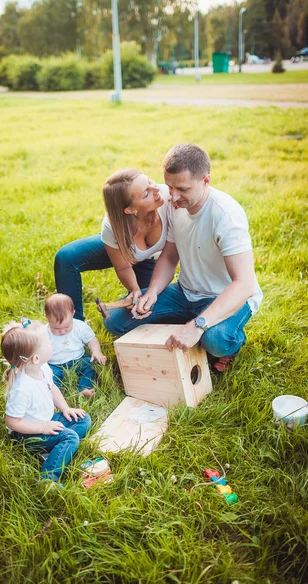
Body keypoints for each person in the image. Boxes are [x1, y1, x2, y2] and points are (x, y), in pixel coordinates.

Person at [104, 143, 263, 374]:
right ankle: (192, 323)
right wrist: (153, 292)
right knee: (117, 321)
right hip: (185, 292)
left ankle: (226, 338)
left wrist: (198, 325)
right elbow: (169, 257)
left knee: (215, 341)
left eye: (182, 188)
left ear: (205, 180)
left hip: (226, 297)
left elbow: (244, 285)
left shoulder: (226, 215)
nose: (173, 196)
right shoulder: (174, 205)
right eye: (169, 186)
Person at [54, 169, 171, 321]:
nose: (156, 189)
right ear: (130, 209)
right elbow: (122, 267)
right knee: (66, 258)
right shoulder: (113, 226)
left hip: (154, 262)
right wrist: (134, 289)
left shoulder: (168, 198)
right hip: (125, 252)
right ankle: (72, 327)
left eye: (150, 182)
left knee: (148, 311)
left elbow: (174, 255)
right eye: (146, 193)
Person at [1, 317, 91, 482]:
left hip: (47, 420)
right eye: (48, 342)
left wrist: (65, 409)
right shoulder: (22, 388)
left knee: (83, 419)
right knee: (70, 437)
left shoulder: (43, 367)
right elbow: (12, 422)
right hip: (27, 434)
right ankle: (48, 477)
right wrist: (42, 427)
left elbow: (52, 388)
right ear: (35, 358)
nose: (51, 343)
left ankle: (54, 451)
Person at [45, 293, 106, 398]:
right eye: (56, 328)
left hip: (78, 360)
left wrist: (96, 351)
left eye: (67, 327)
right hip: (54, 365)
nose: (62, 331)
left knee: (90, 365)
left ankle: (83, 389)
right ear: (46, 317)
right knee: (47, 376)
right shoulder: (43, 333)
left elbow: (91, 340)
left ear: (73, 313)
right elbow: (37, 348)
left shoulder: (80, 326)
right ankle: (53, 397)